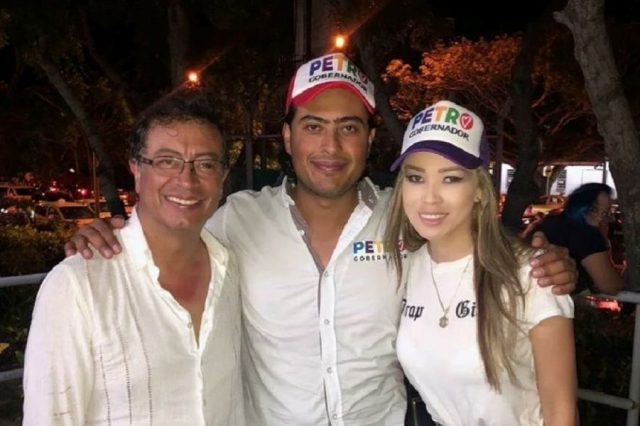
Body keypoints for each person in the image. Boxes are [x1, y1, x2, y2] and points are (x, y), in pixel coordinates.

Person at [64, 53, 576, 425]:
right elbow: (168, 241)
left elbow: (469, 246)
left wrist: (548, 263)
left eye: (348, 128)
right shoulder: (237, 220)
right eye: (313, 126)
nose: (330, 146)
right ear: (288, 137)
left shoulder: (404, 219)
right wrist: (108, 238)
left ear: (370, 139)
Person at [23, 89, 244, 425]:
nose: (186, 180)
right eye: (167, 161)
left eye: (206, 164)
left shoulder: (234, 271)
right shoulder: (77, 287)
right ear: (137, 171)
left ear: (223, 179)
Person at [386, 100, 577, 425]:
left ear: (479, 190)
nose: (429, 197)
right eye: (416, 178)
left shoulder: (531, 273)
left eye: (451, 179)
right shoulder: (405, 267)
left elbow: (561, 414)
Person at [534, 182, 623, 295]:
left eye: (605, 213)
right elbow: (610, 286)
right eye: (594, 209)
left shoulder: (549, 222)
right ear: (580, 204)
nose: (600, 218)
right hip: (561, 299)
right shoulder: (588, 235)